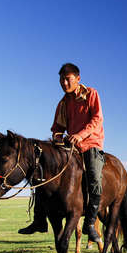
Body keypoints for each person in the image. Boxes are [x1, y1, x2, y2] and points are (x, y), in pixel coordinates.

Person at [18, 63, 104, 243]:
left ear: (78, 79)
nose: (64, 83)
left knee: (95, 178)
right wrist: (57, 138)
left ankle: (89, 223)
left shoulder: (91, 94)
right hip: (69, 147)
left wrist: (80, 135)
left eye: (68, 79)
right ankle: (39, 220)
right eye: (61, 80)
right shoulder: (63, 103)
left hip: (90, 144)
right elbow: (57, 128)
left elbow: (97, 119)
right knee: (42, 172)